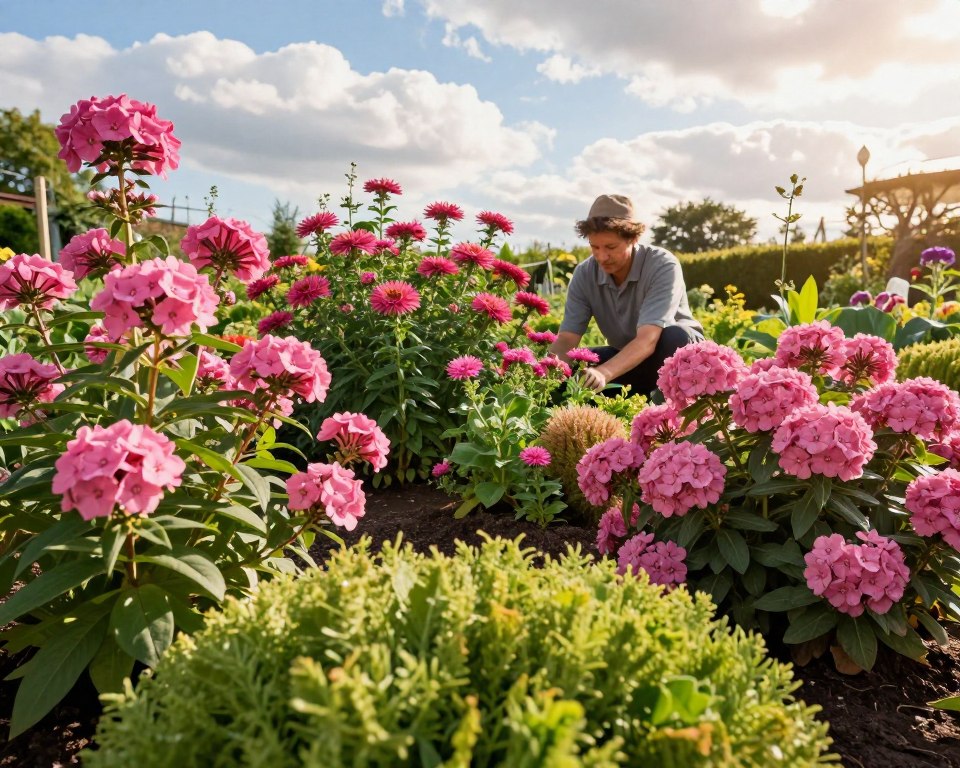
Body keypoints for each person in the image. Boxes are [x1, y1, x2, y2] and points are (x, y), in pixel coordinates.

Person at [548, 193, 704, 395]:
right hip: (627, 359)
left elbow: (648, 340)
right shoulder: (584, 274)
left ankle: (666, 405)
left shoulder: (662, 265)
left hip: (678, 360)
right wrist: (546, 373)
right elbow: (567, 339)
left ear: (634, 238)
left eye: (611, 247)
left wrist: (603, 373)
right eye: (595, 247)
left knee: (675, 336)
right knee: (578, 362)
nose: (602, 256)